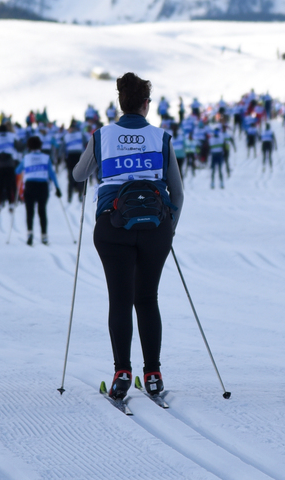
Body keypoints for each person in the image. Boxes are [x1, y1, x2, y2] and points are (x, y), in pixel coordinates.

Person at [71, 72, 185, 402]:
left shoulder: (103, 135)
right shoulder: (161, 137)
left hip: (113, 226)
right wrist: (169, 228)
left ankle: (122, 372)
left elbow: (79, 174)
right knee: (147, 298)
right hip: (155, 227)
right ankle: (153, 374)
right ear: (146, 105)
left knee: (120, 299)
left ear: (121, 103)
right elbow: (177, 192)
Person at [16, 135, 61, 246]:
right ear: (40, 145)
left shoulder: (26, 158)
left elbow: (17, 170)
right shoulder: (46, 157)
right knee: (42, 211)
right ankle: (44, 236)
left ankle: (30, 233)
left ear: (29, 146)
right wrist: (57, 188)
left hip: (30, 185)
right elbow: (52, 174)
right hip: (42, 186)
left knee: (29, 211)